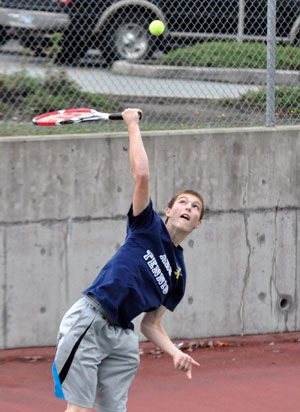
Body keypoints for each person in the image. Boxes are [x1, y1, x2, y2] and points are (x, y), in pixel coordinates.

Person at [52, 108, 205, 412]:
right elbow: (142, 175)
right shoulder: (146, 226)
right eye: (183, 202)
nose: (188, 208)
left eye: (196, 207)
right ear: (169, 210)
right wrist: (132, 124)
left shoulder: (178, 276)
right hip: (91, 320)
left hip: (123, 338)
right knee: (79, 409)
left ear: (198, 223)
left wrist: (174, 352)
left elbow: (151, 324)